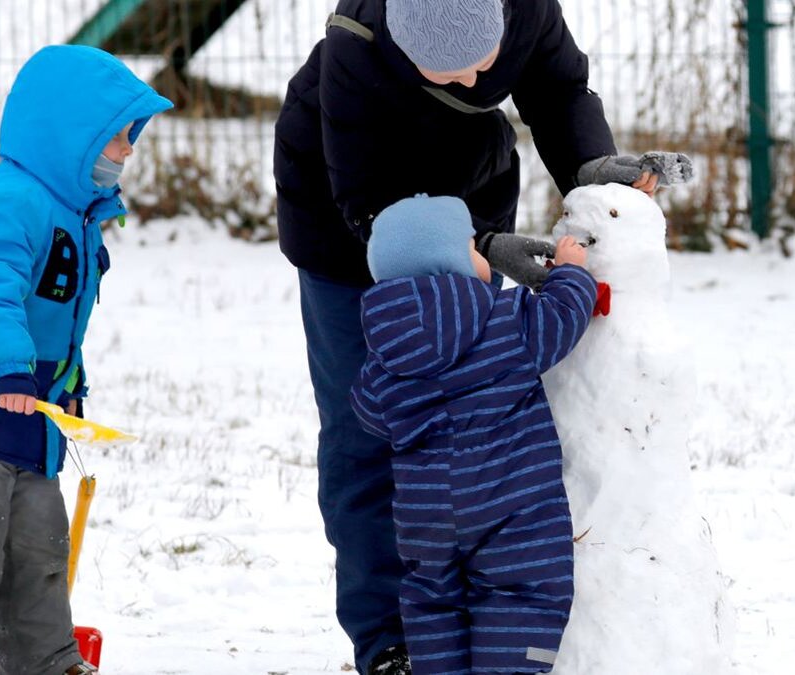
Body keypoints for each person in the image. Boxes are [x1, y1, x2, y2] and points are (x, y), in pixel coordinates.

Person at [273, 1, 651, 671]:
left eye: (482, 63)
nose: (475, 84)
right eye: (444, 71)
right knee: (369, 442)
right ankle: (388, 639)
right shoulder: (355, 44)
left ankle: (476, 619)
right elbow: (367, 197)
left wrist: (594, 173)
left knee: (473, 423)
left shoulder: (527, 10)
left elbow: (559, 90)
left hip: (465, 194)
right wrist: (478, 247)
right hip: (347, 223)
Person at [0, 45, 171, 675]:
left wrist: (67, 386)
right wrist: (10, 368)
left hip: (28, 406)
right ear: (69, 135)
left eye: (131, 136)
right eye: (118, 137)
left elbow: (63, 327)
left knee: (36, 548)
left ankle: (45, 661)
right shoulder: (11, 201)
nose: (128, 151)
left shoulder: (75, 217)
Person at [347, 194, 599, 674]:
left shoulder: (385, 353)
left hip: (428, 514)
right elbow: (562, 319)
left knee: (434, 601)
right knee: (521, 592)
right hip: (509, 504)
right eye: (473, 247)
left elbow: (368, 410)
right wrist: (572, 271)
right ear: (453, 260)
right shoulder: (503, 322)